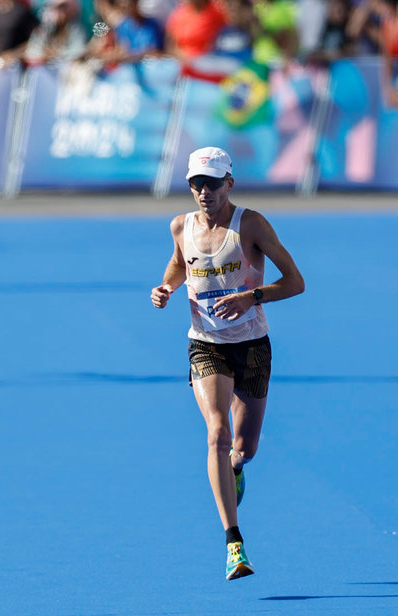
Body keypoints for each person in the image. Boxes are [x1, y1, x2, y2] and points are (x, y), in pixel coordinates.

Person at [149, 147, 305, 581]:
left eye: (213, 184)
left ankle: (236, 467)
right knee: (215, 432)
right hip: (207, 344)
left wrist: (251, 296)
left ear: (229, 184)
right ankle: (234, 544)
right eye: (196, 184)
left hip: (253, 345)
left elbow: (296, 282)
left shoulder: (250, 224)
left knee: (244, 447)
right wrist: (165, 287)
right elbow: (180, 265)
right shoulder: (181, 225)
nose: (204, 192)